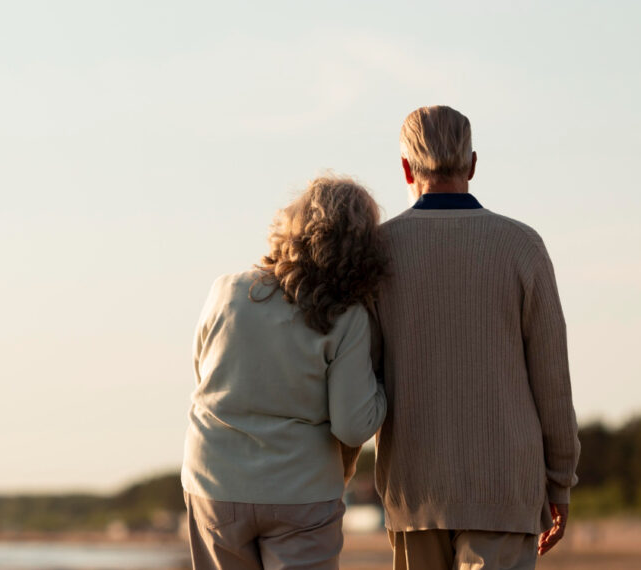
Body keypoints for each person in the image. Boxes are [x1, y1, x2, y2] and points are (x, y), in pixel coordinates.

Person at [374, 105, 581, 570]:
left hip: (414, 491)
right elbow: (553, 379)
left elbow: (361, 380)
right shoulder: (521, 245)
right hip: (504, 488)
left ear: (406, 168)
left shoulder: (379, 252)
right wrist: (560, 480)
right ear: (471, 163)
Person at [181, 175, 389, 570]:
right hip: (302, 492)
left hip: (214, 482)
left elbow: (202, 376)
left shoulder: (226, 290)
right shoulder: (348, 317)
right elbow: (352, 426)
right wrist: (383, 386)